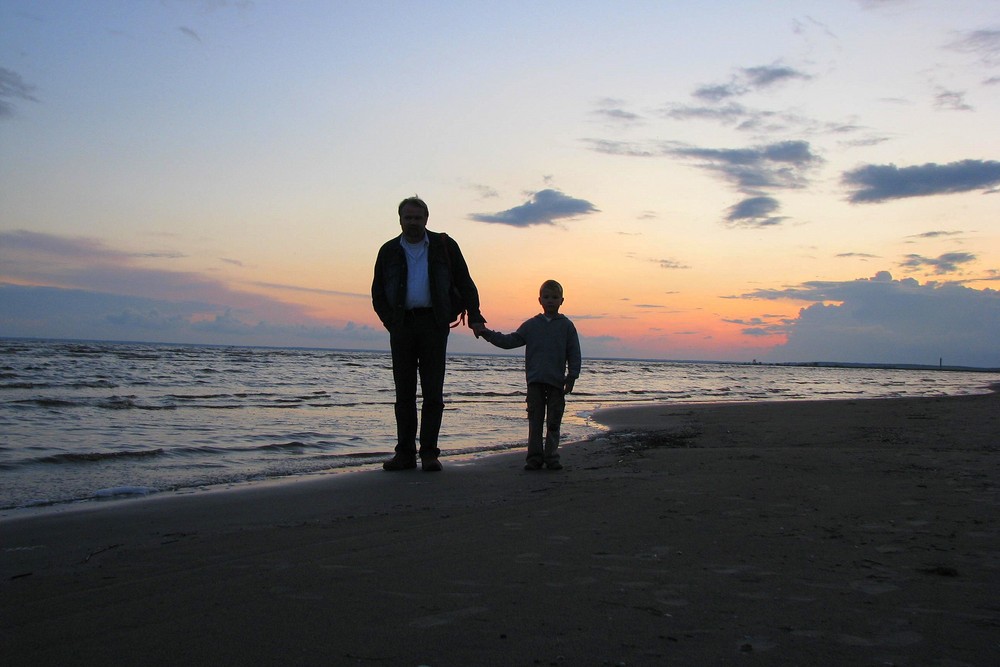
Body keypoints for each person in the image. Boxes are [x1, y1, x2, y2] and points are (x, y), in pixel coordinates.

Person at [372, 196, 486, 472]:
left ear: (426, 219)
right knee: (404, 393)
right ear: (400, 219)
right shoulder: (388, 250)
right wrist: (392, 322)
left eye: (417, 217)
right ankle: (405, 454)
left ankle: (430, 454)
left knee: (433, 393)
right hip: (402, 326)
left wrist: (475, 316)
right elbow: (377, 293)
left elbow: (465, 283)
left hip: (434, 325)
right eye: (407, 217)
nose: (412, 222)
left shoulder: (443, 246)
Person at [479, 280, 581, 471]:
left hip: (557, 384)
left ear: (562, 300)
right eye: (547, 297)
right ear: (540, 300)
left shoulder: (567, 326)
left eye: (555, 297)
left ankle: (551, 457)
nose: (550, 301)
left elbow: (574, 353)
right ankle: (534, 458)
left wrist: (572, 376)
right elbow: (509, 341)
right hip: (535, 382)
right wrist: (487, 333)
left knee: (553, 422)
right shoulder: (531, 325)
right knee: (535, 421)